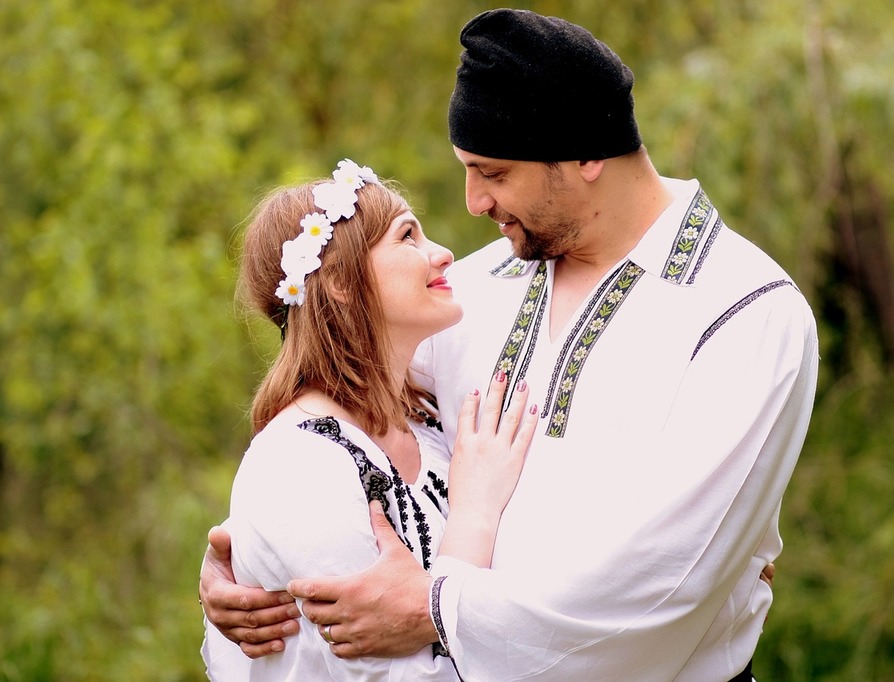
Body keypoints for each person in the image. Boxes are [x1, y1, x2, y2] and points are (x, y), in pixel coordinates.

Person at [202, 9, 819, 681]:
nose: (472, 202)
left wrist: (438, 609)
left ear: (586, 155)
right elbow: (347, 433)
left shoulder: (742, 315)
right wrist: (254, 564)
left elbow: (669, 582)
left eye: (493, 173)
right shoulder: (470, 292)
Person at [200, 158, 539, 680]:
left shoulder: (422, 424)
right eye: (408, 237)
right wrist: (475, 510)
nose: (444, 254)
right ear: (338, 281)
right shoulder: (301, 465)